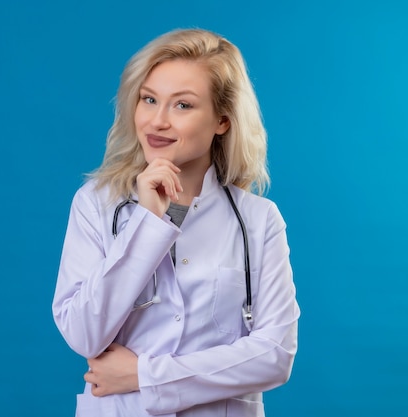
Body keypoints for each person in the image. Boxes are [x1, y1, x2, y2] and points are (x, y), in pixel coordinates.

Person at [52, 28, 300, 417]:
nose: (157, 121)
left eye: (182, 106)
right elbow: (84, 334)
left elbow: (275, 355)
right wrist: (147, 222)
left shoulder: (258, 221)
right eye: (149, 99)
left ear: (222, 120)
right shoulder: (97, 204)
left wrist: (146, 376)